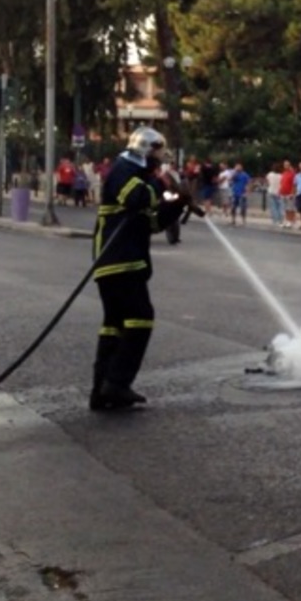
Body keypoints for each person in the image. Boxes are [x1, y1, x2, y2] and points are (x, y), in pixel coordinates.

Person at [89, 127, 188, 411]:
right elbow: (137, 198)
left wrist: (178, 204)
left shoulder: (137, 177)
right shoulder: (124, 169)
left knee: (115, 324)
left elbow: (151, 224)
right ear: (146, 150)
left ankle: (101, 391)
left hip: (118, 262)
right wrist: (163, 185)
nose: (159, 160)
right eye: (157, 153)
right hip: (120, 260)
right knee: (141, 317)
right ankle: (117, 383)